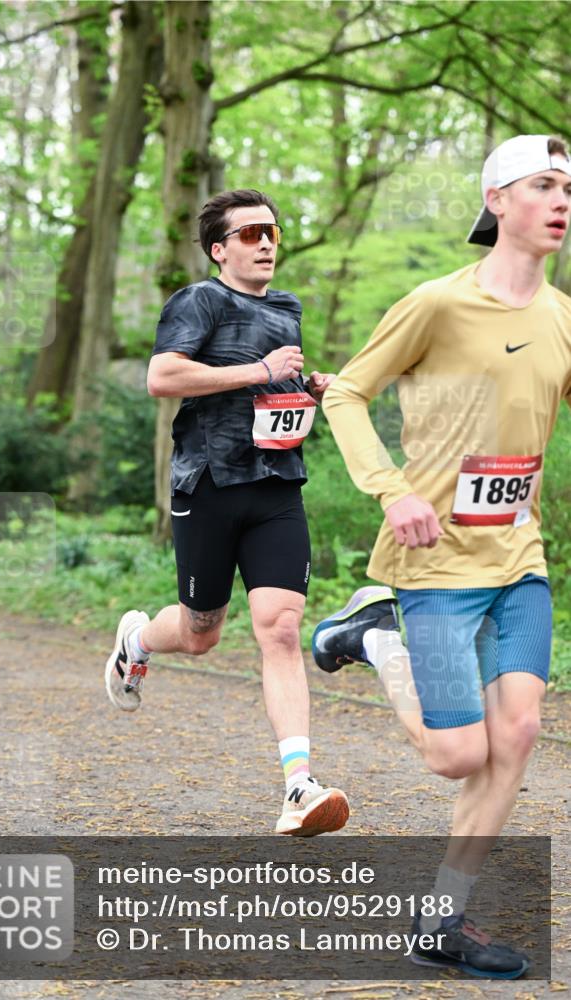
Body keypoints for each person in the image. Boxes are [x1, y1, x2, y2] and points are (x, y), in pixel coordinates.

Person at [313, 135, 571, 977]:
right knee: (457, 755)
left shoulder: (561, 313)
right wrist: (392, 490)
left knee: (520, 732)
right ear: (498, 200)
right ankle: (374, 634)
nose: (560, 200)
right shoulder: (435, 303)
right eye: (543, 185)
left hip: (516, 558)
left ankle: (440, 923)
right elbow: (347, 392)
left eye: (566, 187)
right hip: (432, 563)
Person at [105, 189, 349, 837]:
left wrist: (306, 388)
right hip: (208, 484)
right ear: (219, 249)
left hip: (275, 485)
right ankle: (136, 640)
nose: (266, 242)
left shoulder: (287, 308)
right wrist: (256, 370)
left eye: (271, 231)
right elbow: (163, 376)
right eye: (249, 234)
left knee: (279, 627)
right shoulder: (198, 301)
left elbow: (273, 387)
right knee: (200, 633)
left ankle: (298, 785)